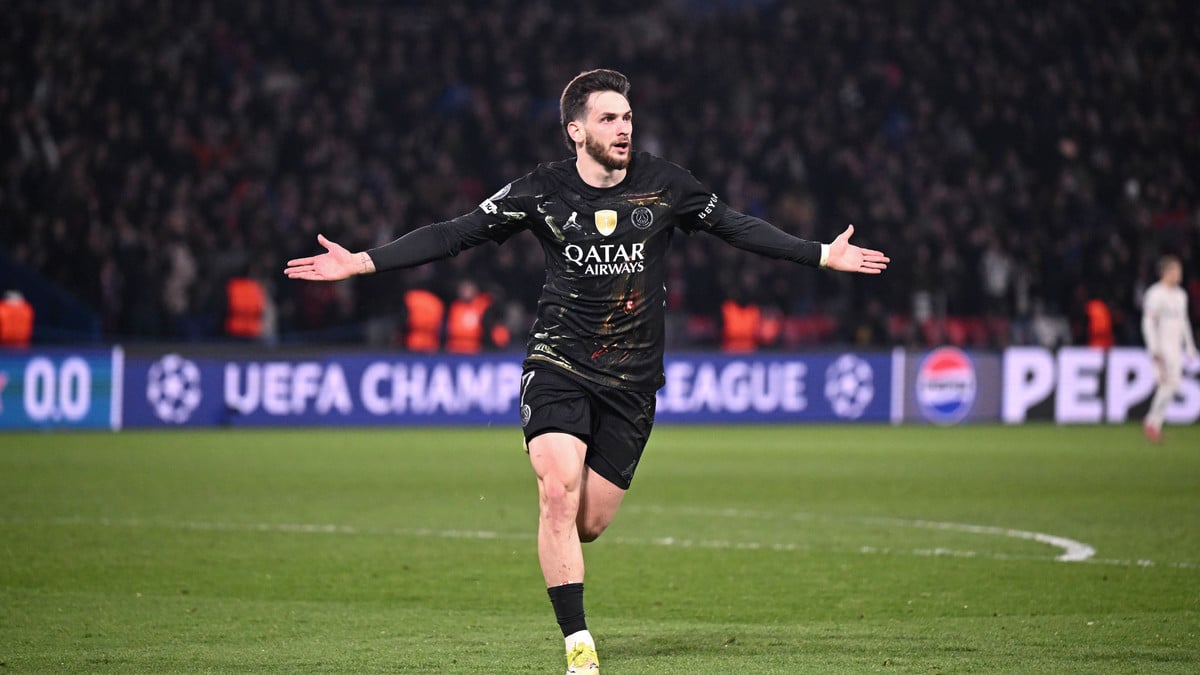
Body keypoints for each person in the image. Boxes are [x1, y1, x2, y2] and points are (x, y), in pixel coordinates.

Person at [285, 68, 889, 673]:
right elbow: (455, 233)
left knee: (588, 523)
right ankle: (578, 645)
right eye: (608, 118)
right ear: (576, 130)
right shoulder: (541, 192)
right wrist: (363, 262)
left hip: (633, 383)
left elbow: (736, 226)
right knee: (556, 492)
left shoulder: (665, 185)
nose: (623, 129)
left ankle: (564, 549)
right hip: (559, 363)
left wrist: (820, 254)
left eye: (627, 118)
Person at [1141, 255, 1198, 443]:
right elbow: (1148, 323)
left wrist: (1190, 346)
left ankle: (1153, 423)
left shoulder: (1181, 295)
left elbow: (1184, 322)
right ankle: (1152, 423)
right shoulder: (1155, 294)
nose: (1179, 274)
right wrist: (1153, 348)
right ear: (1165, 272)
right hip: (1162, 347)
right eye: (1175, 271)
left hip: (1176, 347)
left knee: (1173, 385)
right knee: (1167, 383)